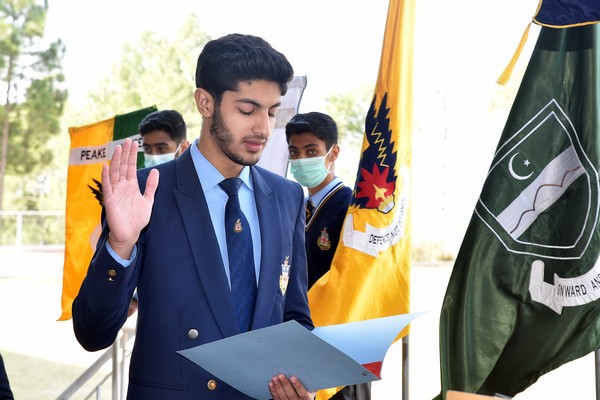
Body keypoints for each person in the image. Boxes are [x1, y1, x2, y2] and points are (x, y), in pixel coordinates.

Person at [72, 33, 315, 400]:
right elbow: (92, 334)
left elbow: (294, 317)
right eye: (247, 110)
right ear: (205, 102)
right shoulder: (146, 193)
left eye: (272, 112)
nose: (263, 129)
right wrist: (120, 245)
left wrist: (303, 381)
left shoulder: (288, 196)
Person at [286, 112, 371, 400]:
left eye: (311, 151)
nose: (301, 159)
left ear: (333, 153)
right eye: (294, 152)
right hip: (302, 340)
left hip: (341, 344)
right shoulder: (296, 207)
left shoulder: (351, 207)